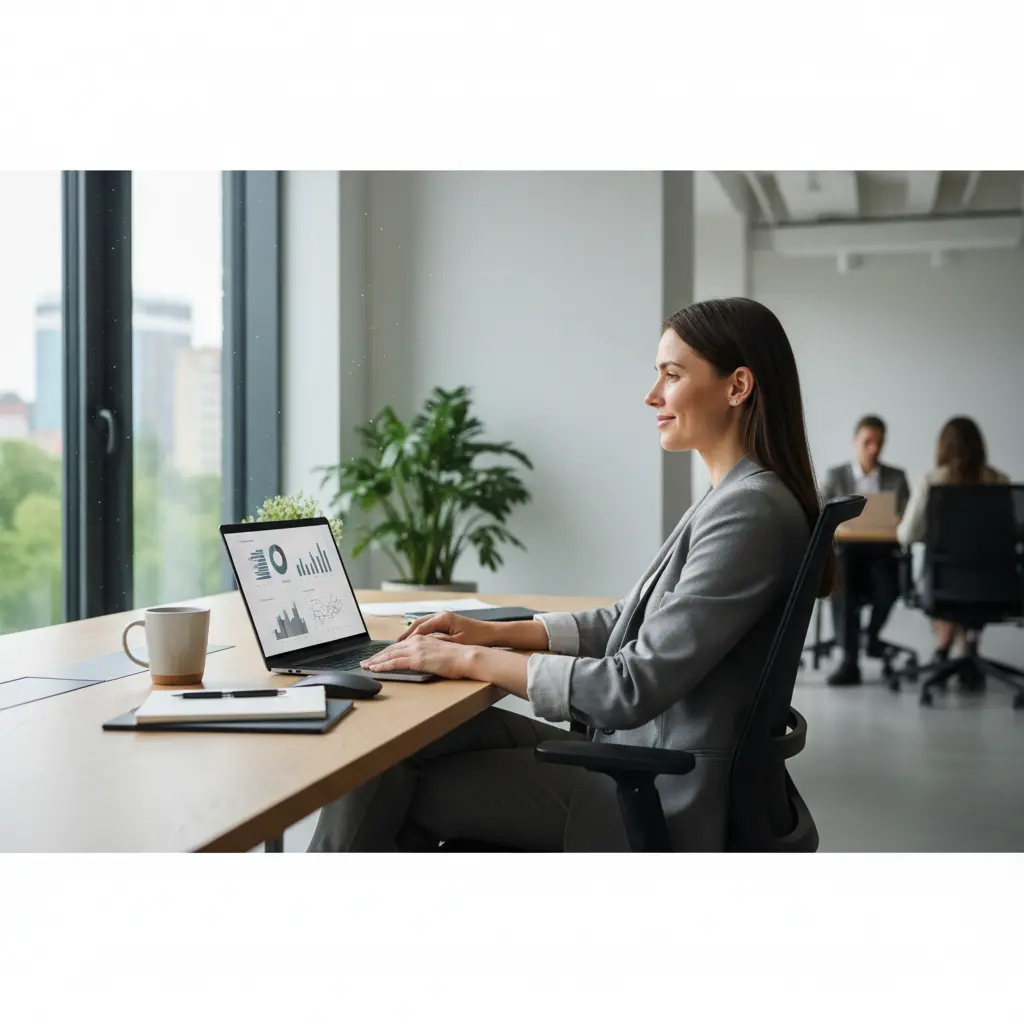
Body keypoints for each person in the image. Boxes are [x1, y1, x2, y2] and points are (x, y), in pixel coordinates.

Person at [308, 297, 835, 853]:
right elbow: (625, 622)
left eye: (672, 375)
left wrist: (467, 659)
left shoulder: (747, 511)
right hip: (646, 754)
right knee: (395, 747)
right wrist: (492, 632)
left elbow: (629, 686)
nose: (652, 395)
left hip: (660, 782)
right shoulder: (735, 496)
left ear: (738, 386)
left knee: (390, 778)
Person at [897, 416, 1009, 691]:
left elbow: (906, 535)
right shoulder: (999, 481)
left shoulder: (933, 481)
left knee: (947, 572)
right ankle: (968, 647)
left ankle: (945, 645)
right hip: (995, 586)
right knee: (969, 574)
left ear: (943, 447)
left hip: (944, 586)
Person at [821, 415, 910, 685]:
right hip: (846, 551)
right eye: (868, 442)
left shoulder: (896, 477)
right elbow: (823, 516)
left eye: (879, 442)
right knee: (842, 575)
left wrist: (896, 522)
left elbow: (908, 518)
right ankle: (849, 659)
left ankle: (871, 638)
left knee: (891, 583)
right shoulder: (836, 476)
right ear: (855, 442)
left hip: (882, 551)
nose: (873, 448)